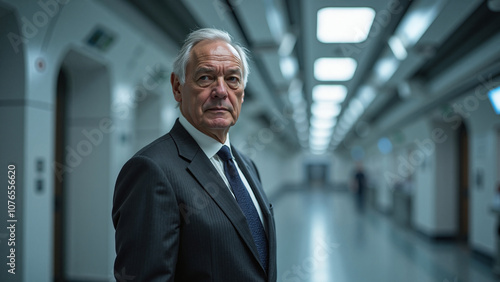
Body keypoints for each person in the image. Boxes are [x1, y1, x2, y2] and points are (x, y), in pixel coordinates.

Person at [112, 28, 277, 281]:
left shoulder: (247, 165)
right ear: (178, 87)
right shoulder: (152, 170)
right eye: (205, 78)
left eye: (232, 79)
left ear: (242, 93)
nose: (221, 91)